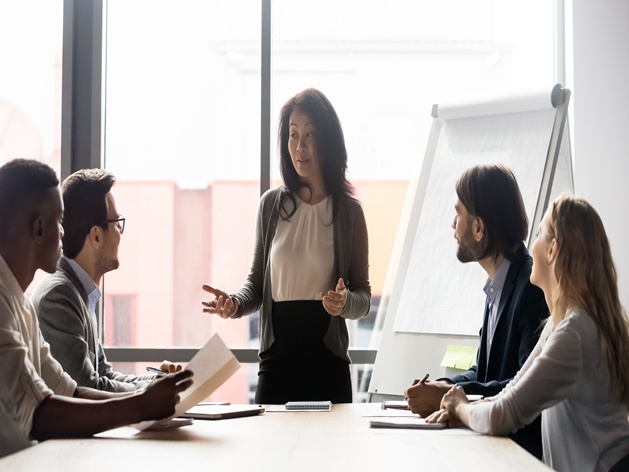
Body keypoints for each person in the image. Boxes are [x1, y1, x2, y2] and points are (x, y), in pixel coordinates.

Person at [0, 159, 192, 458]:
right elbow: (38, 413)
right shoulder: (23, 302)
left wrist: (151, 396)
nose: (64, 235)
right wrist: (141, 405)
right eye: (59, 223)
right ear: (39, 228)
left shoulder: (20, 304)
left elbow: (67, 390)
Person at [427, 194, 629, 472]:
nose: (530, 247)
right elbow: (510, 393)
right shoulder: (560, 325)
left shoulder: (575, 332)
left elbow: (505, 415)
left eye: (538, 235)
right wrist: (463, 411)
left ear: (552, 250)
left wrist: (460, 407)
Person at [201, 88, 370, 404]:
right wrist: (235, 304)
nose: (300, 147)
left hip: (328, 366)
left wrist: (344, 302)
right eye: (293, 136)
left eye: (310, 135)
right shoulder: (270, 206)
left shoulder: (349, 212)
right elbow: (255, 285)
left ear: (328, 141)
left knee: (331, 454)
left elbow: (363, 297)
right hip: (276, 366)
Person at [404, 164, 548, 458]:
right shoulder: (498, 286)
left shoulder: (531, 287)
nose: (452, 225)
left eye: (457, 214)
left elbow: (525, 385)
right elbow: (484, 372)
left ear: (478, 228)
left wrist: (449, 396)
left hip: (520, 455)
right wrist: (445, 385)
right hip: (493, 445)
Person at [30, 169, 180, 392]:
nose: (121, 232)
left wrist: (157, 383)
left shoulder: (79, 291)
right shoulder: (59, 297)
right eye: (118, 223)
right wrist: (150, 394)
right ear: (97, 236)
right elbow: (87, 388)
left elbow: (103, 374)